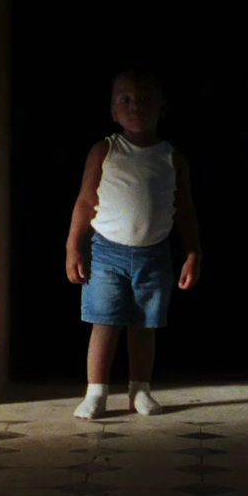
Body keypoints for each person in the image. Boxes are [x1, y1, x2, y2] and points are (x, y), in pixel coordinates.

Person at [64, 69, 202, 419]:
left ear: (162, 107)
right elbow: (84, 201)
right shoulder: (105, 150)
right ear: (113, 110)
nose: (134, 106)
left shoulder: (173, 158)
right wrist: (73, 247)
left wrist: (192, 253)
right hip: (106, 252)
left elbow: (184, 210)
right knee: (105, 322)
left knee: (144, 326)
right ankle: (96, 392)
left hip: (154, 256)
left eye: (144, 99)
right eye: (125, 99)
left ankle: (140, 389)